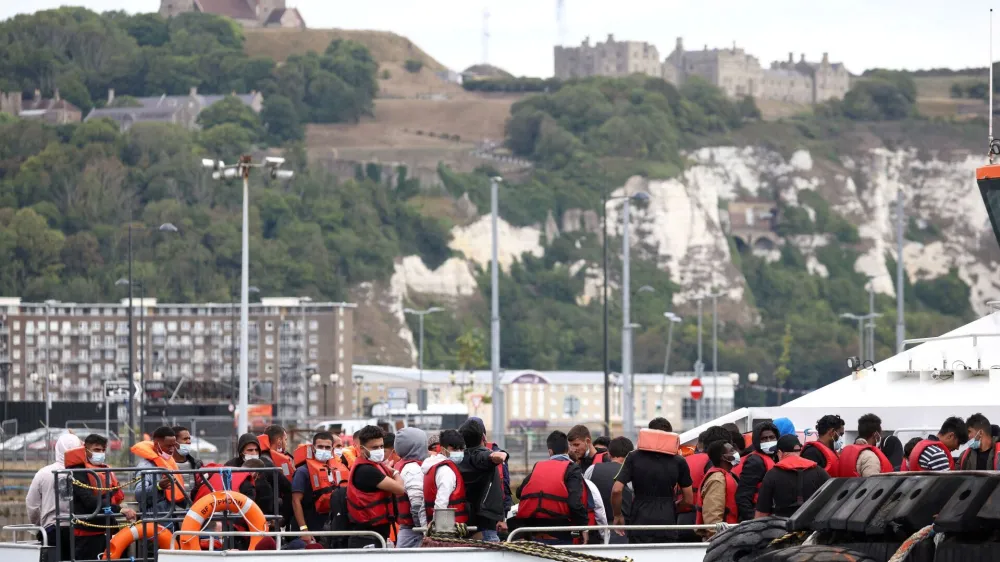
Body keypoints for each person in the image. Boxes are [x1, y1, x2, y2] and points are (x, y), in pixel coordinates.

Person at [613, 418, 692, 544]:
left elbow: (617, 490)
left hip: (639, 520)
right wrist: (672, 507)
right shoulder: (678, 461)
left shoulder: (633, 457)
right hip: (667, 521)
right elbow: (688, 500)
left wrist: (617, 515)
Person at [67, 434, 137, 561]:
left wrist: (120, 506)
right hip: (87, 534)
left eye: (103, 450)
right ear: (86, 450)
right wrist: (118, 508)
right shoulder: (78, 472)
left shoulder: (104, 470)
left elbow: (113, 496)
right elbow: (90, 503)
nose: (101, 453)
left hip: (108, 530)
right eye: (96, 450)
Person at [515, 431, 589, 545]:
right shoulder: (572, 468)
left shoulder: (538, 466)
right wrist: (583, 527)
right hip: (560, 531)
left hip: (533, 531)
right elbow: (575, 503)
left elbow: (519, 493)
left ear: (550, 451)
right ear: (567, 449)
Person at [346, 425, 406, 548]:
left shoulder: (375, 466)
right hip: (367, 539)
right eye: (374, 447)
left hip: (377, 535)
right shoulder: (366, 471)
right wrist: (395, 472)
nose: (379, 450)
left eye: (381, 446)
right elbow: (400, 489)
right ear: (362, 449)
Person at [27, 433, 82, 562]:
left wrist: (38, 526)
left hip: (51, 530)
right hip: (79, 529)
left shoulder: (43, 474)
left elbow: (32, 505)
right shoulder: (85, 473)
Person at [292, 431, 348, 543]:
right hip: (309, 528)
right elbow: (295, 501)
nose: (324, 450)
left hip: (330, 527)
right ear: (313, 448)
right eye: (320, 447)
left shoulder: (336, 470)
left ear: (332, 450)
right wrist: (304, 530)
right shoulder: (302, 472)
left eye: (327, 447)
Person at [457, 419, 507, 542]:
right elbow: (487, 457)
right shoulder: (479, 454)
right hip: (485, 527)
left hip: (470, 520)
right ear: (483, 437)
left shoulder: (462, 458)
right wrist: (500, 455)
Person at [755, 435, 830, 518]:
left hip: (783, 526)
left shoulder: (772, 474)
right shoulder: (819, 471)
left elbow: (761, 513)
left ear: (780, 453)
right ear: (799, 451)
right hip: (812, 526)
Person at [133, 426, 188, 517]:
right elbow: (139, 495)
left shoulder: (169, 463)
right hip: (155, 520)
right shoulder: (145, 467)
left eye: (173, 445)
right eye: (168, 446)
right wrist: (158, 486)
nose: (172, 450)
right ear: (156, 444)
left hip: (171, 518)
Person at [587, 436, 633, 545]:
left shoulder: (592, 469)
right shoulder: (633, 473)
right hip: (624, 530)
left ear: (608, 454)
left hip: (596, 530)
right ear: (631, 455)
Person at [422, 429, 469, 525]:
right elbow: (441, 503)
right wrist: (438, 528)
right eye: (455, 449)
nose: (459, 452)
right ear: (443, 449)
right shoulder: (446, 471)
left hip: (437, 526)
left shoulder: (431, 466)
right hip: (447, 528)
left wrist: (425, 527)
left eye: (461, 448)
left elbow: (422, 506)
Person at [733, 421, 778, 522]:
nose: (769, 441)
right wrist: (753, 521)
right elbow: (743, 496)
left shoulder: (774, 458)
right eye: (764, 439)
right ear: (757, 441)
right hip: (758, 518)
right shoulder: (755, 461)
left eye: (772, 437)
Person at [471, 416, 512, 524]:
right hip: (490, 513)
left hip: (487, 515)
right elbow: (506, 486)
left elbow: (505, 486)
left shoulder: (466, 455)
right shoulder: (498, 454)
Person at [696, 440, 739, 539]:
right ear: (723, 457)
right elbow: (713, 515)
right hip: (721, 539)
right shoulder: (717, 480)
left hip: (730, 535)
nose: (736, 453)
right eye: (732, 451)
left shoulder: (728, 475)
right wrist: (716, 538)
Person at [393, 427, 428, 548]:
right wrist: (423, 530)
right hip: (413, 533)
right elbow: (417, 504)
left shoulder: (405, 466)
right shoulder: (413, 470)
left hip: (408, 531)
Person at [259, 425, 295, 528]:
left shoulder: (261, 458)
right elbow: (288, 488)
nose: (286, 443)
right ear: (279, 440)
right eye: (285, 440)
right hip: (269, 514)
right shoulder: (268, 462)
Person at [171, 426, 204, 495]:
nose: (189, 442)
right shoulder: (164, 466)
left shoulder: (197, 464)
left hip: (194, 505)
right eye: (185, 439)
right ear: (174, 442)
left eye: (189, 438)